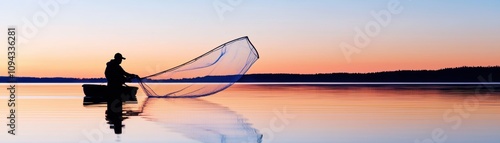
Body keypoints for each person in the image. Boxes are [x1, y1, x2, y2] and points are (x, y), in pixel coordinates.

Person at [104, 53, 138, 134]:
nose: (121, 61)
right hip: (113, 88)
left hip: (116, 88)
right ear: (117, 59)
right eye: (120, 59)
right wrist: (123, 79)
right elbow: (114, 75)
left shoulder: (116, 66)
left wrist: (132, 75)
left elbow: (124, 73)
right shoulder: (112, 66)